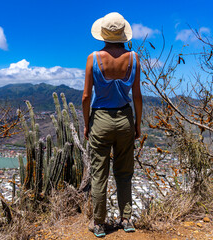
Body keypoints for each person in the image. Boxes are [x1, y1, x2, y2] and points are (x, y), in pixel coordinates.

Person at [82, 12, 142, 238]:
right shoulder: (134, 58)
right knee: (124, 172)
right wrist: (137, 124)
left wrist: (87, 124)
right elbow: (137, 95)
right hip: (125, 118)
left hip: (101, 120)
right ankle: (126, 219)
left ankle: (99, 223)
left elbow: (86, 96)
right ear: (123, 34)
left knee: (99, 174)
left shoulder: (93, 58)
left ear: (103, 34)